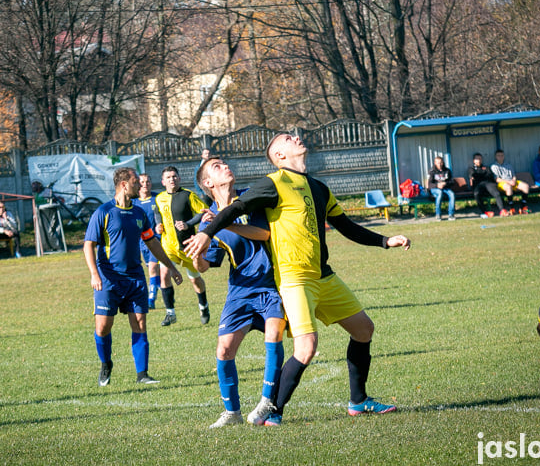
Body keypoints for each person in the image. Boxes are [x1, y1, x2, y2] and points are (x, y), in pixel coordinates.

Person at [184, 133, 411, 426]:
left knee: (364, 330)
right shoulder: (272, 183)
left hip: (323, 276)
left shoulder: (319, 187)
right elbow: (235, 209)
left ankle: (358, 401)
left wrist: (385, 240)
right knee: (305, 348)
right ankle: (272, 410)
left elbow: (346, 226)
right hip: (294, 279)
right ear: (279, 155)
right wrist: (206, 232)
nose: (297, 137)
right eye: (289, 138)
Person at [194, 156, 286, 428]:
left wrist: (223, 223)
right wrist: (196, 256)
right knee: (223, 351)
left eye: (224, 163)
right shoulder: (208, 220)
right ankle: (231, 412)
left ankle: (267, 402)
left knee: (274, 334)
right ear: (208, 183)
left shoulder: (250, 198)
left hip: (271, 284)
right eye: (217, 166)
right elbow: (206, 265)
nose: (225, 166)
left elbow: (263, 234)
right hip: (240, 290)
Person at [84, 167, 183, 386]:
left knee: (139, 323)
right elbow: (88, 245)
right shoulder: (103, 211)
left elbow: (152, 242)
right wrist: (94, 274)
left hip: (135, 278)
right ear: (123, 185)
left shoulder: (139, 213)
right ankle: (106, 363)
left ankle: (142, 374)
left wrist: (171, 267)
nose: (140, 185)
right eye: (135, 181)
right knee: (103, 327)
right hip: (108, 278)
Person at [155, 166, 211, 326]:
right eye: (168, 177)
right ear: (163, 181)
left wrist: (188, 224)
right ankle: (170, 313)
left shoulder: (188, 195)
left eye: (174, 176)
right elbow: (157, 213)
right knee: (164, 274)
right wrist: (158, 225)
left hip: (188, 246)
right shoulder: (159, 198)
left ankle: (203, 306)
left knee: (195, 279)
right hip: (168, 246)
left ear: (179, 178)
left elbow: (203, 212)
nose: (171, 179)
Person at [132, 173, 162, 308]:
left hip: (156, 238)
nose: (145, 184)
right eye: (142, 182)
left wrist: (161, 225)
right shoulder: (134, 202)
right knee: (152, 269)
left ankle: (150, 300)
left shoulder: (157, 198)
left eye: (148, 181)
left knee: (153, 268)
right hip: (141, 241)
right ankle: (165, 289)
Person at [490, 149, 530, 214]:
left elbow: (513, 175)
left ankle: (523, 207)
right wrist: (509, 182)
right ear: (496, 157)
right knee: (508, 187)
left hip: (511, 181)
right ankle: (511, 208)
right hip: (502, 183)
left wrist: (513, 180)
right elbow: (497, 179)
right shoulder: (494, 166)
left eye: (502, 155)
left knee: (526, 186)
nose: (500, 157)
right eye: (498, 155)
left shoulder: (508, 165)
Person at [468, 153, 508, 217]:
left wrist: (480, 175)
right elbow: (473, 176)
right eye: (477, 159)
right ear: (474, 160)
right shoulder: (471, 169)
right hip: (478, 185)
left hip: (488, 183)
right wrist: (483, 174)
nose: (479, 160)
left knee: (496, 193)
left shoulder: (486, 167)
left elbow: (490, 175)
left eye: (480, 159)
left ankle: (502, 210)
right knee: (476, 194)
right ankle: (485, 212)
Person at [426, 156, 456, 220]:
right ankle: (438, 214)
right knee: (439, 193)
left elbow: (452, 181)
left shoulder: (447, 170)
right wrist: (437, 185)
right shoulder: (432, 172)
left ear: (443, 163)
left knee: (452, 194)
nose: (439, 164)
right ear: (435, 163)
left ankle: (451, 214)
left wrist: (445, 183)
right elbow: (429, 184)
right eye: (438, 163)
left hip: (445, 188)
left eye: (441, 162)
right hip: (435, 189)